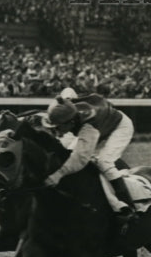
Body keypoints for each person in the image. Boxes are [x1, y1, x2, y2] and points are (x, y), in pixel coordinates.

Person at [42, 88, 137, 228]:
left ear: (70, 123)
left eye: (58, 127)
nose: (56, 132)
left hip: (120, 126)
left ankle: (127, 207)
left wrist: (58, 175)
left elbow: (80, 158)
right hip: (103, 122)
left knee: (103, 162)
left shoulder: (89, 128)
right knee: (67, 154)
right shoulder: (68, 110)